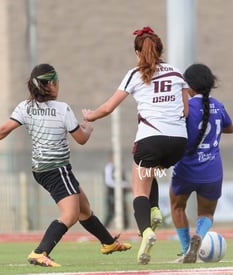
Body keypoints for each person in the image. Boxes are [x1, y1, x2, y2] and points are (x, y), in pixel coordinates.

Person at [0, 63, 131, 267]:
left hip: (40, 169)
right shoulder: (62, 109)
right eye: (57, 81)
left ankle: (108, 243)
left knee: (84, 208)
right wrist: (87, 126)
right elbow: (81, 139)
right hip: (57, 168)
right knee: (70, 214)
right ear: (51, 83)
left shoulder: (25, 107)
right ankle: (40, 252)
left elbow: (3, 130)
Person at [82, 26, 189, 264]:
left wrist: (90, 116)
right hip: (178, 142)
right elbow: (185, 110)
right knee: (150, 171)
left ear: (138, 53)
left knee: (139, 185)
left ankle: (146, 231)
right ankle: (154, 210)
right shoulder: (176, 73)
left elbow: (109, 108)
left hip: (150, 138)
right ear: (160, 50)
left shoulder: (135, 74)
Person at [169, 63, 233, 263]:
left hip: (186, 168)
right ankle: (199, 236)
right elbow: (230, 128)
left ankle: (186, 248)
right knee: (206, 213)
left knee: (177, 207)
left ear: (188, 86)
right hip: (212, 170)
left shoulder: (185, 108)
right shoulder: (218, 105)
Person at [104, 156, 130, 229]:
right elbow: (109, 182)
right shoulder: (109, 168)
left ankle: (125, 231)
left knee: (124, 213)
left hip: (121, 195)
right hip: (111, 194)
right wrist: (124, 185)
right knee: (110, 213)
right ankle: (104, 230)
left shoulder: (119, 169)